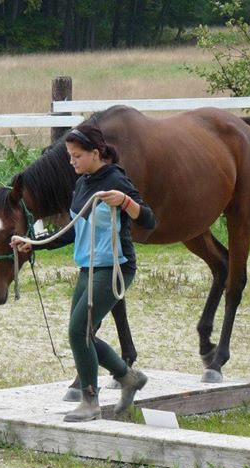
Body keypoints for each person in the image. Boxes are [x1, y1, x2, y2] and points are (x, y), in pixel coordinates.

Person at [11, 123, 156, 422]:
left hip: (114, 267)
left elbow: (149, 220)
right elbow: (73, 232)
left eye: (77, 156)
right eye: (70, 155)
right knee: (83, 333)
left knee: (78, 332)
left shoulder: (115, 179)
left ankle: (90, 401)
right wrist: (33, 244)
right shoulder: (82, 183)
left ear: (95, 153)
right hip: (87, 267)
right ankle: (128, 378)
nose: (71, 162)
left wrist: (126, 203)